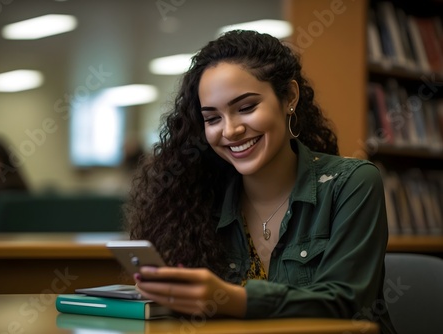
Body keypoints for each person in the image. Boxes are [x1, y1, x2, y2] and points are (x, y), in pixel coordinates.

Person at [126, 30, 396, 333]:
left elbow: (347, 304)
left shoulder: (352, 183)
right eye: (213, 118)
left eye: (246, 108)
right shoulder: (199, 202)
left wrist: (231, 299)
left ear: (289, 98)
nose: (230, 130)